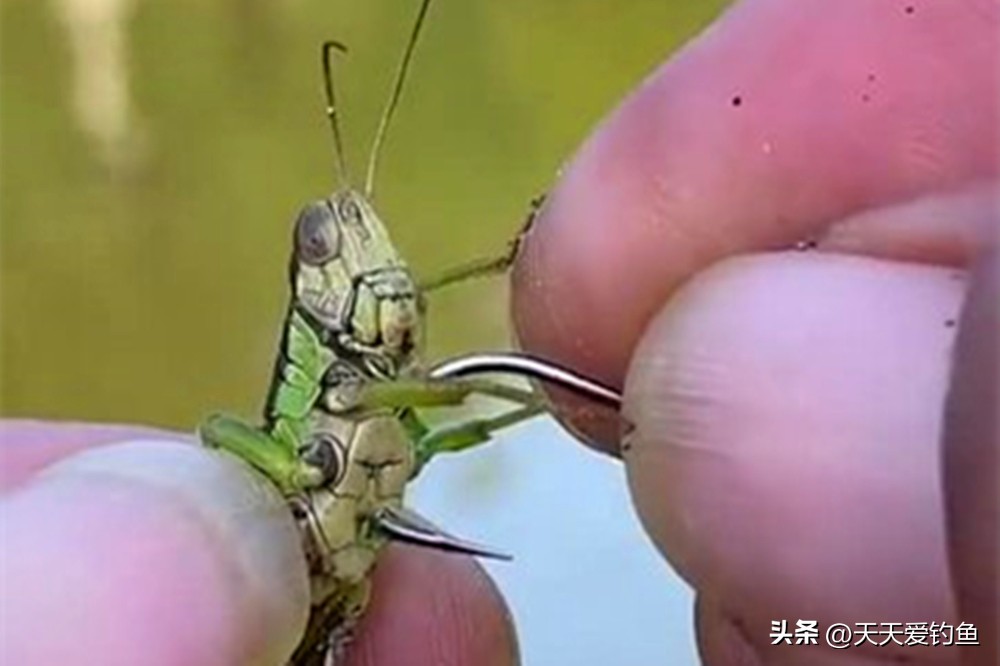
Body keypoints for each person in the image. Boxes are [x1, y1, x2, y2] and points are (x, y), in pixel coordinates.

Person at [2, 0, 995, 664]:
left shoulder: (381, 371)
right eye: (330, 246)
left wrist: (499, 277)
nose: (367, 258)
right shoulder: (339, 399)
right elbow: (235, 430)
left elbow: (436, 406)